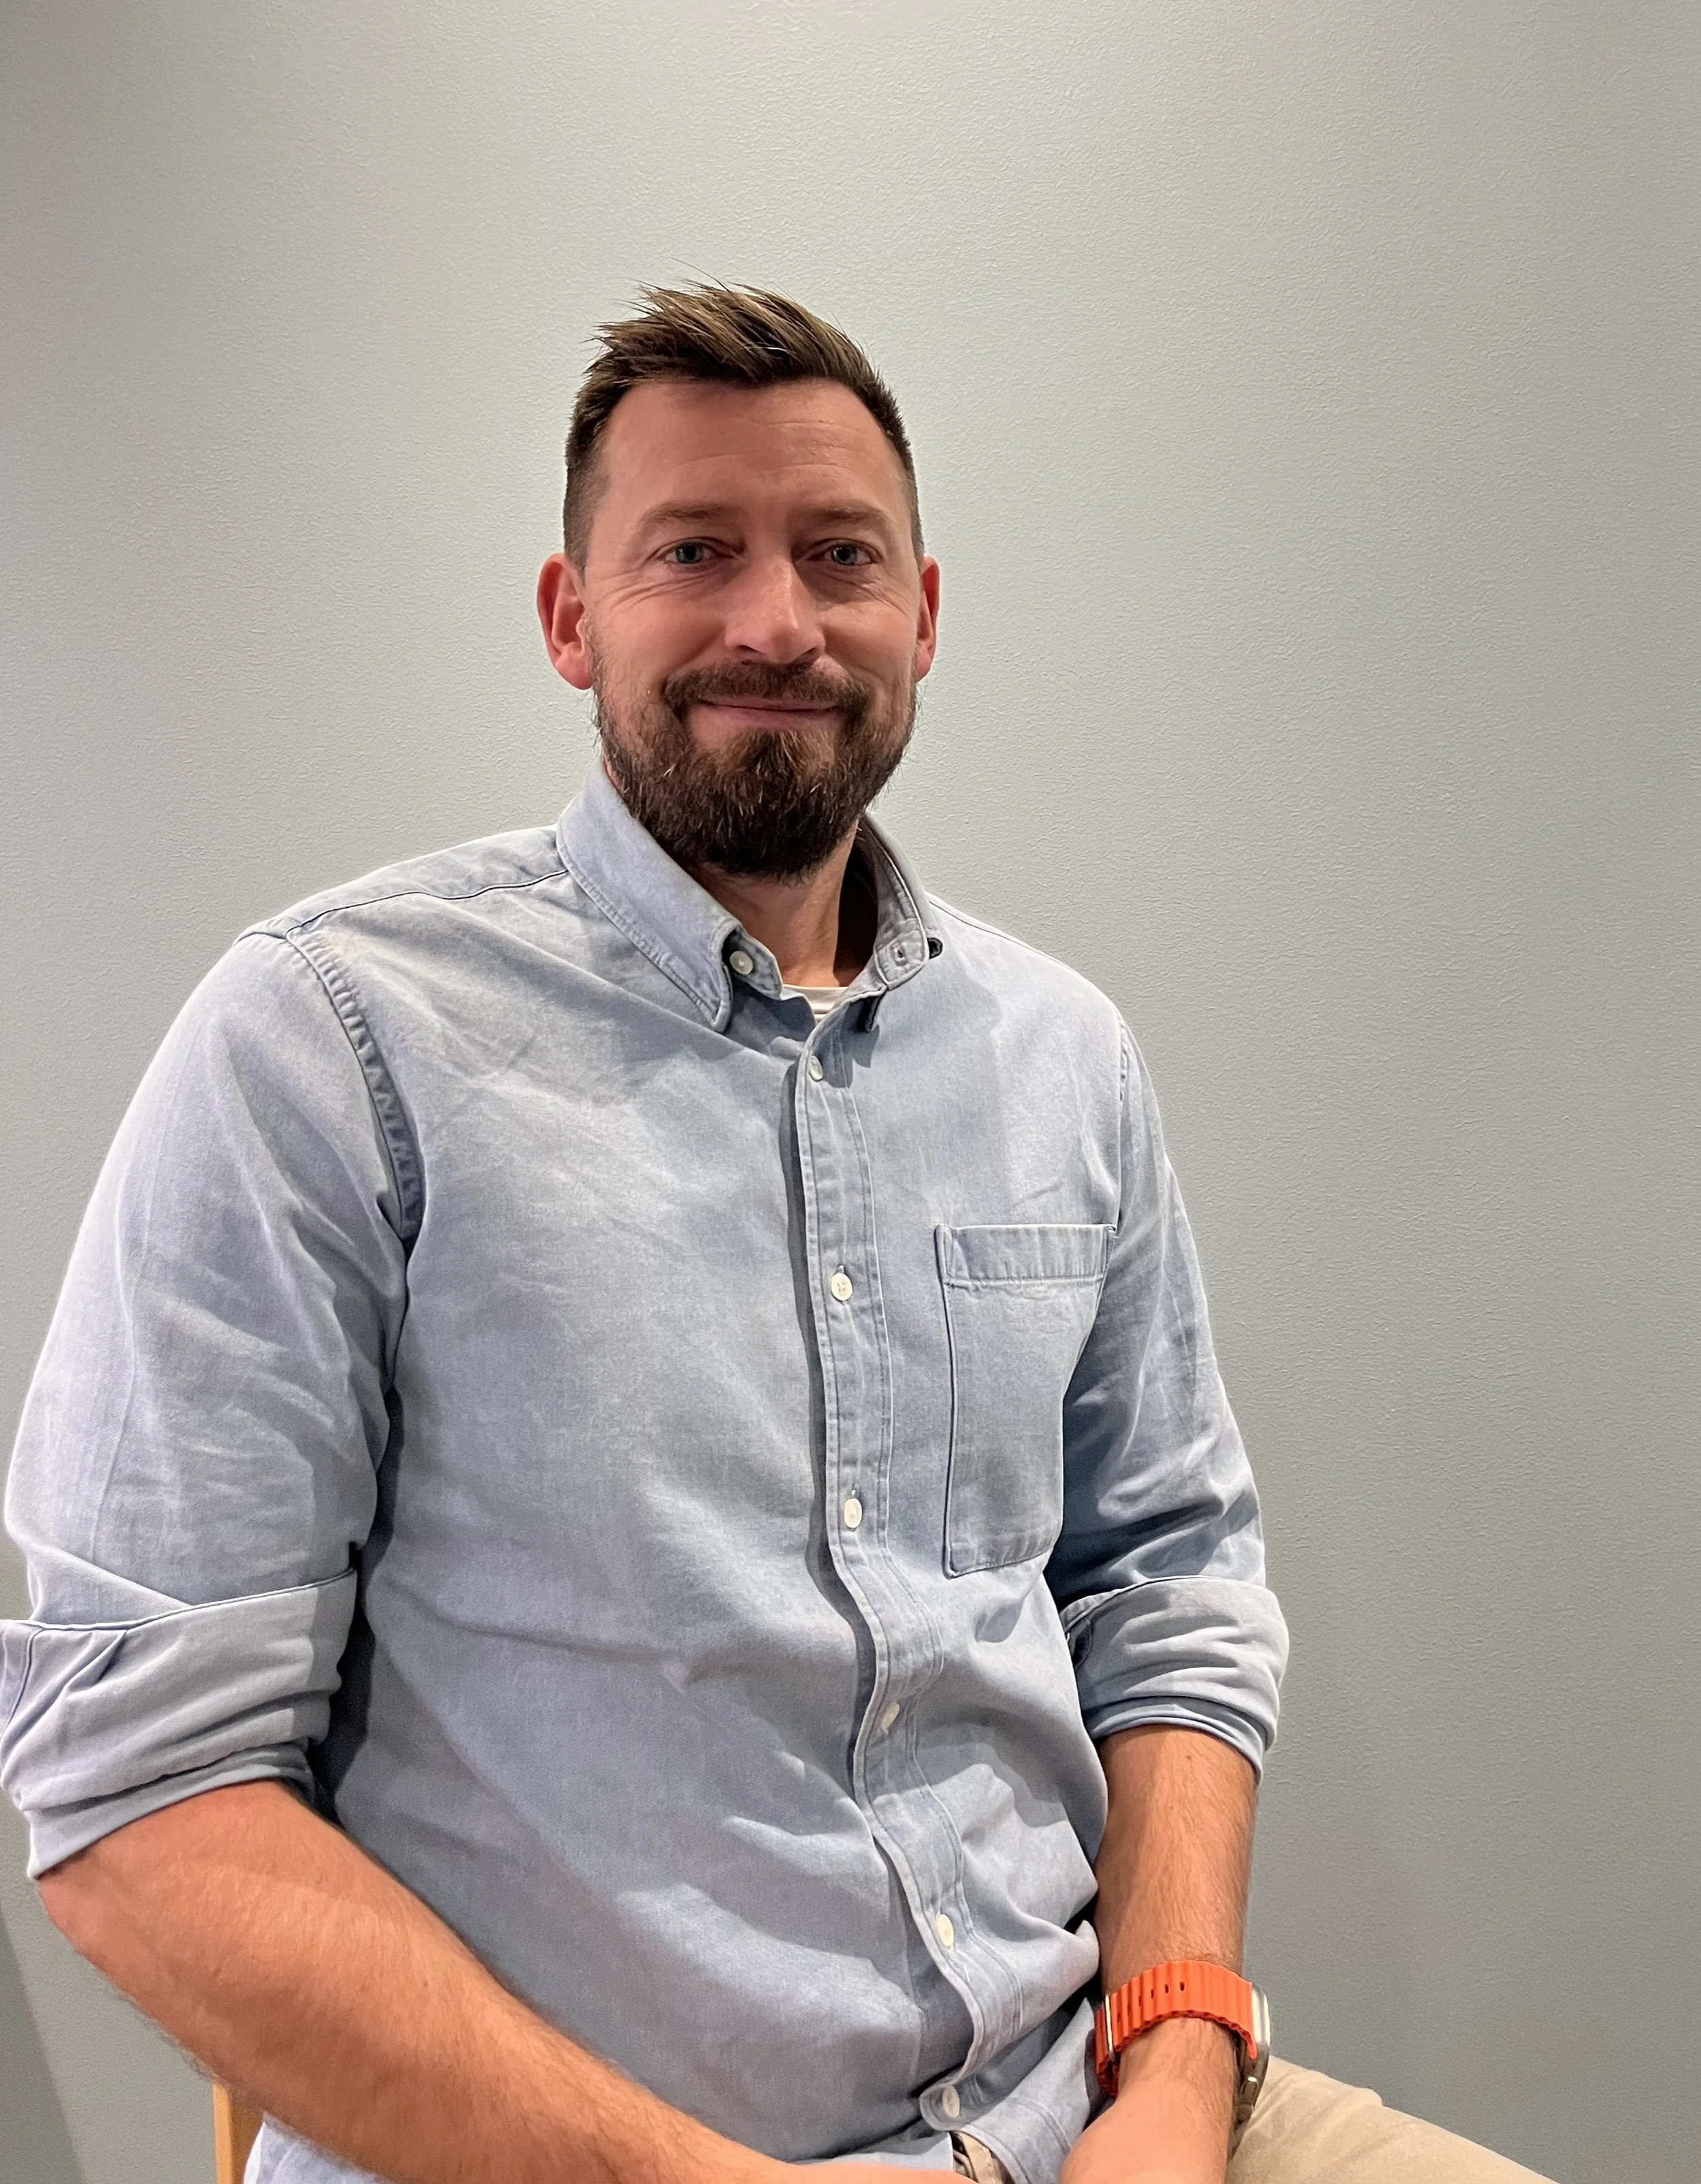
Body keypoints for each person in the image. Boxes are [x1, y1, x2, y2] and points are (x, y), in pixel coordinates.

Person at [1, 286, 1547, 2184]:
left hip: (1082, 2114)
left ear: (923, 615)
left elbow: (1170, 1593)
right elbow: (133, 1797)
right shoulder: (328, 1043)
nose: (774, 623)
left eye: (838, 558)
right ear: (572, 619)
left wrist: (1163, 2070)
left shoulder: (1057, 1056)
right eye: (691, 554)